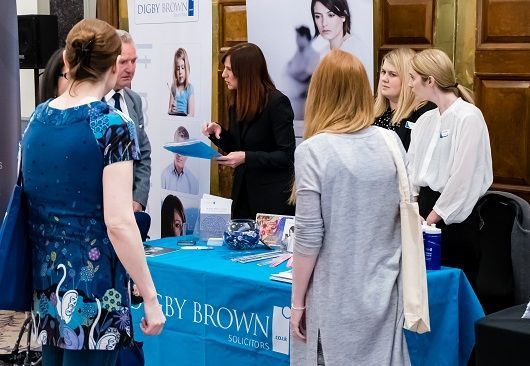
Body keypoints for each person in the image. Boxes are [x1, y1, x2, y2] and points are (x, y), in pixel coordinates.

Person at [22, 19, 165, 365]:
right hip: (95, 290)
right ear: (113, 64)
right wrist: (150, 296)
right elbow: (118, 222)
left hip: (45, 284)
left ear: (68, 62)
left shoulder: (39, 117)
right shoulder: (111, 125)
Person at [290, 50, 409, 365]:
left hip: (334, 297)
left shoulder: (314, 151)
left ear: (320, 92)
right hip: (384, 290)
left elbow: (309, 237)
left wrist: (298, 301)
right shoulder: (390, 142)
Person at [407, 48, 493, 285]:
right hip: (423, 214)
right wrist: (414, 212)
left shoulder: (469, 117)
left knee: (451, 287)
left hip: (454, 221)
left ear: (430, 80)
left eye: (413, 78)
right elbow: (411, 169)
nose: (409, 85)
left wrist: (433, 218)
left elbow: (465, 178)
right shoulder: (425, 120)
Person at [203, 43, 296, 219]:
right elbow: (238, 147)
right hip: (242, 198)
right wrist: (218, 132)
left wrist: (246, 157)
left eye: (229, 69)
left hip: (271, 202)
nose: (223, 75)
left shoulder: (277, 103)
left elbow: (286, 156)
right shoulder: (237, 102)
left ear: (245, 72)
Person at [103, 30, 152, 214]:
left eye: (134, 61)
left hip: (130, 209)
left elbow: (143, 153)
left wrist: (138, 199)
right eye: (123, 62)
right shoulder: (91, 103)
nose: (130, 68)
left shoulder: (134, 101)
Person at [373, 48, 436, 150]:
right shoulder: (372, 112)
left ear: (409, 78)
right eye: (383, 72)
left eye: (392, 74)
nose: (384, 78)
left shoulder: (425, 114)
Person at [310, 0, 372, 86]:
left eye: (330, 15)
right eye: (318, 16)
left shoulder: (355, 50)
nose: (324, 23)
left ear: (343, 16)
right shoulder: (323, 53)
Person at [286, 26, 320, 120]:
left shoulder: (314, 56)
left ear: (304, 37)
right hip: (294, 99)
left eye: (298, 37)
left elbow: (305, 76)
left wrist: (290, 74)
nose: (296, 40)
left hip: (305, 101)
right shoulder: (298, 54)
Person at [161, 126, 199, 194]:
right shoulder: (164, 175)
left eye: (183, 149)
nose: (180, 155)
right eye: (177, 148)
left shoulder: (193, 182)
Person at [168, 48, 195, 117]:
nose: (180, 72)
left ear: (187, 68)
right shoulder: (173, 87)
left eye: (182, 68)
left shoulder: (189, 88)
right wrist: (171, 109)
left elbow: (191, 114)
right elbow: (169, 110)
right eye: (177, 68)